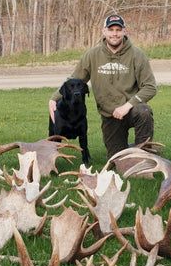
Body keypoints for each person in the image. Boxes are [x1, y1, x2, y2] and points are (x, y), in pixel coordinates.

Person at [49, 13, 157, 165]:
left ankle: (144, 155)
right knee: (117, 161)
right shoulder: (92, 55)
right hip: (110, 116)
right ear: (104, 31)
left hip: (131, 110)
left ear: (124, 31)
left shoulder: (137, 55)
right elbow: (74, 80)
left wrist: (127, 106)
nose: (114, 34)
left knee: (144, 111)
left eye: (118, 30)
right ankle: (130, 150)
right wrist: (54, 98)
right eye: (111, 29)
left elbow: (150, 87)